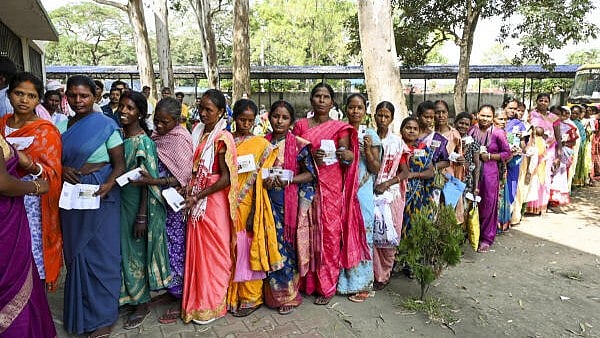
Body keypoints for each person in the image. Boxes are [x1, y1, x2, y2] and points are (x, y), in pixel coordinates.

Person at [59, 75, 125, 337]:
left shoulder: (106, 125)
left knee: (103, 256)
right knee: (77, 254)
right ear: (67, 97)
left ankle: (103, 318)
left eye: (84, 95)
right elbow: (53, 161)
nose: (78, 101)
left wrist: (108, 185)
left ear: (94, 97)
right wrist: (63, 169)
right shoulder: (61, 126)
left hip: (101, 197)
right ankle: (80, 313)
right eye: (73, 96)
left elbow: (120, 164)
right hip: (72, 198)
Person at [292, 83, 369, 305]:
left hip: (332, 188)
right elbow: (293, 155)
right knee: (306, 232)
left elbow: (348, 158)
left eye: (326, 97)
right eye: (318, 96)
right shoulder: (301, 126)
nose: (322, 100)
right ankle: (308, 284)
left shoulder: (339, 128)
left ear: (332, 102)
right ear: (311, 100)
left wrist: (345, 153)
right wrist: (309, 157)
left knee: (330, 236)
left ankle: (326, 287)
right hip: (307, 187)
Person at [0, 72, 63, 291]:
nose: (24, 100)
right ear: (9, 95)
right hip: (3, 203)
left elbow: (54, 174)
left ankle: (32, 307)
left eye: (31, 96)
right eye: (19, 93)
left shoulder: (46, 132)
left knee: (31, 252)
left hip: (33, 205)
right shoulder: (1, 126)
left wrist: (29, 165)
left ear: (38, 100)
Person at [182, 89, 238, 325]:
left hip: (212, 203)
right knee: (198, 254)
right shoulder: (196, 132)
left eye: (209, 110)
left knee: (215, 254)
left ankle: (213, 302)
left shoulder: (222, 137)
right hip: (197, 198)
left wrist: (199, 194)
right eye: (201, 108)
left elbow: (225, 178)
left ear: (221, 112)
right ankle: (198, 302)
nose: (203, 113)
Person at [118, 91, 171, 329]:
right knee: (125, 251)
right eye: (121, 106)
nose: (124, 111)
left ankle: (142, 302)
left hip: (138, 205)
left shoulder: (143, 142)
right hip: (119, 202)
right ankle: (128, 295)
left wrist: (141, 216)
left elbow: (146, 181)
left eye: (130, 108)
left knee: (138, 252)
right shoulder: (120, 137)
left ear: (140, 113)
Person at [227, 99, 281, 317]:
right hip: (228, 205)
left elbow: (265, 177)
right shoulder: (227, 141)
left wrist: (253, 212)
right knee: (231, 250)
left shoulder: (261, 145)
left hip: (251, 206)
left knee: (248, 249)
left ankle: (252, 297)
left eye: (250, 120)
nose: (246, 124)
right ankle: (233, 294)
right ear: (234, 118)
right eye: (242, 119)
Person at [143, 97, 193, 324]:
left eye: (165, 122)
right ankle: (168, 288)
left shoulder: (180, 139)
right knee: (162, 246)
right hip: (157, 202)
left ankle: (180, 297)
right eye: (156, 121)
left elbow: (182, 176)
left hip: (174, 205)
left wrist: (154, 181)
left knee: (175, 248)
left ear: (176, 121)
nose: (159, 126)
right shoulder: (157, 137)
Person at [263, 100, 316, 314]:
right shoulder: (262, 143)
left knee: (286, 247)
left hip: (289, 205)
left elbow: (310, 173)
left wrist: (289, 180)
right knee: (269, 246)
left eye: (285, 117)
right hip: (265, 203)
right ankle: (269, 294)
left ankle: (288, 296)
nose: (279, 121)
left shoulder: (300, 145)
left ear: (291, 121)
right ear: (269, 117)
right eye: (276, 116)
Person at [0, 134, 54, 337]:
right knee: (11, 283)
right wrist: (38, 187)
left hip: (10, 218)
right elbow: (3, 183)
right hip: (4, 221)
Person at [338, 95, 381, 300]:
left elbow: (375, 168)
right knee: (342, 235)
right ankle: (342, 282)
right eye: (352, 107)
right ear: (346, 109)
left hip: (362, 192)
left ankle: (363, 283)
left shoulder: (371, 135)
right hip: (341, 190)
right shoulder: (341, 132)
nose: (355, 111)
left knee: (363, 233)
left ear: (365, 110)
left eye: (360, 108)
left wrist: (366, 152)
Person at [371, 101, 407, 292]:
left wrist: (386, 184)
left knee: (388, 234)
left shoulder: (396, 143)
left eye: (387, 116)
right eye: (380, 115)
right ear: (374, 116)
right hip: (368, 192)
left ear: (392, 119)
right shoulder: (367, 137)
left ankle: (384, 275)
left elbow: (404, 172)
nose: (383, 119)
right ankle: (372, 273)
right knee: (370, 233)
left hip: (390, 195)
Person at [468, 105, 511, 252]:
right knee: (472, 201)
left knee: (488, 204)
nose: (485, 119)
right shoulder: (472, 130)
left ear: (492, 118)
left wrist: (491, 156)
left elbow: (507, 153)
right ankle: (472, 233)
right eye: (483, 115)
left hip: (489, 173)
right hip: (472, 171)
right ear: (477, 115)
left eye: (488, 116)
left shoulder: (498, 133)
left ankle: (486, 237)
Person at [526, 93, 562, 215]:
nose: (543, 102)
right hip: (533, 149)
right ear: (536, 101)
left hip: (549, 151)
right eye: (540, 100)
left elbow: (558, 136)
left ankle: (542, 206)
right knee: (532, 175)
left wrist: (559, 152)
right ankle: (529, 205)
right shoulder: (531, 115)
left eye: (546, 101)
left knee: (545, 178)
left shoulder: (554, 118)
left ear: (549, 103)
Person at [402, 117, 436, 237]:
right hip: (399, 192)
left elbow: (431, 172)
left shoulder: (423, 148)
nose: (412, 131)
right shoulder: (397, 146)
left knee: (414, 223)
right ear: (402, 130)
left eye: (415, 129)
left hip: (418, 193)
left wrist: (413, 175)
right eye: (408, 128)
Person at [549, 106, 578, 208]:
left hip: (559, 153)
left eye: (558, 114)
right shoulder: (546, 124)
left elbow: (573, 142)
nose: (556, 116)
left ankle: (553, 199)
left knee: (557, 176)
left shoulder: (568, 127)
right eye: (554, 113)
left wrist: (563, 143)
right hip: (547, 153)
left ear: (562, 116)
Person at [453, 112, 481, 199]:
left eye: (466, 124)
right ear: (455, 123)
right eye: (461, 123)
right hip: (450, 178)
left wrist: (476, 187)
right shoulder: (450, 139)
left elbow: (476, 166)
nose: (463, 126)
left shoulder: (473, 143)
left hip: (466, 181)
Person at [572, 105, 588, 187]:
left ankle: (573, 182)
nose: (574, 115)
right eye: (572, 113)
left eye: (576, 113)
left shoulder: (580, 125)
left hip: (576, 148)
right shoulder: (566, 122)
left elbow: (583, 138)